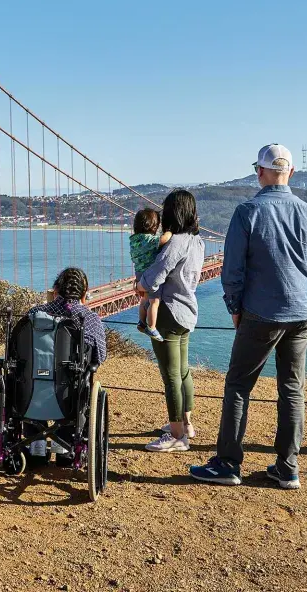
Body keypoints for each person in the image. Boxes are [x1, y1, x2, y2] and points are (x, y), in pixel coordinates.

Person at [190, 144, 307, 489]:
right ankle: (287, 468)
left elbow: (232, 268)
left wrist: (234, 307)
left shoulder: (247, 211)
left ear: (260, 172)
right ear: (292, 173)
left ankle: (227, 464)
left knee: (238, 386)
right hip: (300, 314)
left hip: (260, 313)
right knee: (292, 390)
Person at [137, 189, 204, 452]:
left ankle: (177, 436)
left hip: (168, 313)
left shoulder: (175, 242)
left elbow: (156, 274)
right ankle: (186, 424)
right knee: (183, 371)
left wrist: (139, 284)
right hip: (187, 312)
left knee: (171, 376)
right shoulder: (198, 242)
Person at [26, 267, 107, 456]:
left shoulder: (34, 314)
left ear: (55, 290)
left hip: (30, 393)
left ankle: (35, 444)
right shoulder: (90, 319)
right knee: (75, 380)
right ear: (84, 294)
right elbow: (100, 356)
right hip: (68, 396)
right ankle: (63, 444)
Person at [130, 208, 172, 341]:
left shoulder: (134, 240)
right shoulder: (149, 240)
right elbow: (164, 239)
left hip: (138, 272)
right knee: (154, 301)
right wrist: (170, 231)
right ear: (152, 226)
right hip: (149, 273)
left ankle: (141, 322)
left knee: (144, 299)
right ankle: (151, 327)